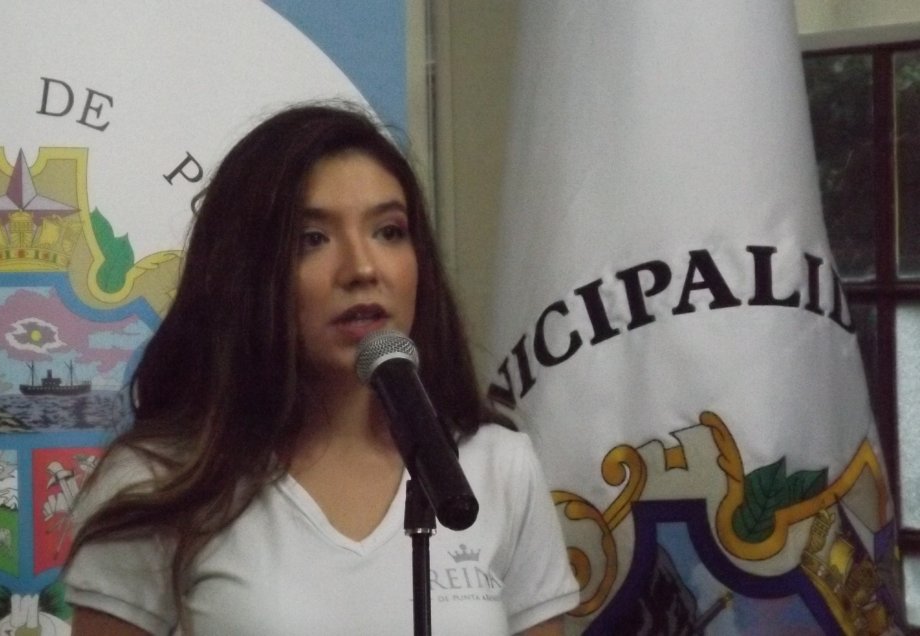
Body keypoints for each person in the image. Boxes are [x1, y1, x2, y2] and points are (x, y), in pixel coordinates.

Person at [62, 103, 579, 635]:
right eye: (312, 239)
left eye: (389, 231)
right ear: (246, 272)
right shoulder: (159, 478)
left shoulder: (498, 467)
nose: (362, 268)